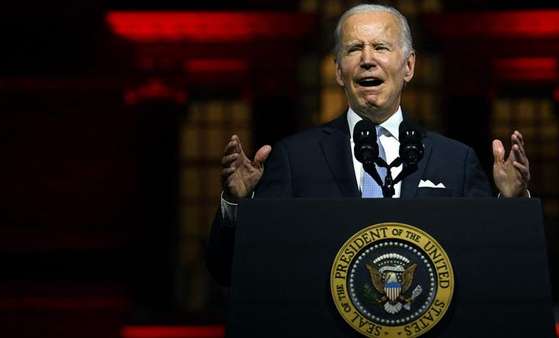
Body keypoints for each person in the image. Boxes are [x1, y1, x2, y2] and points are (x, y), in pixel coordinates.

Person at [206, 4, 531, 286]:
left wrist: (511, 204)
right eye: (353, 49)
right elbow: (231, 271)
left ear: (408, 66)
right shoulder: (294, 158)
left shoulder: (455, 160)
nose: (366, 60)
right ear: (337, 70)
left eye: (381, 47)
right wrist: (237, 206)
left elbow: (494, 267)